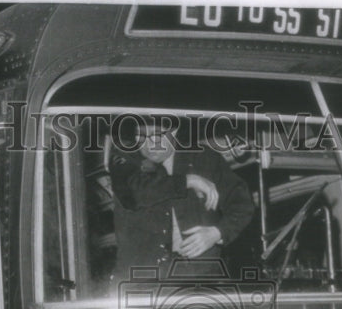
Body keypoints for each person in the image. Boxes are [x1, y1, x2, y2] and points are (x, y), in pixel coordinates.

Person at [109, 118, 254, 280]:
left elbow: (242, 204)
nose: (149, 144)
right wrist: (187, 181)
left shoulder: (204, 158)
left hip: (198, 278)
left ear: (174, 132)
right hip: (140, 279)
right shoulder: (124, 160)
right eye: (141, 136)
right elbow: (132, 193)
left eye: (156, 135)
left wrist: (216, 233)